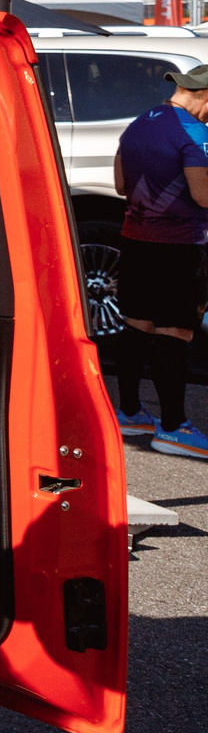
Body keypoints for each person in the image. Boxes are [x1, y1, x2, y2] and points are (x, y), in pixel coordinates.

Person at [112, 64, 208, 457]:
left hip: (136, 241)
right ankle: (172, 428)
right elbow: (204, 196)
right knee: (175, 333)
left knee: (138, 325)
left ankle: (130, 412)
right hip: (180, 246)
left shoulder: (137, 124)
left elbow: (120, 185)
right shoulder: (194, 132)